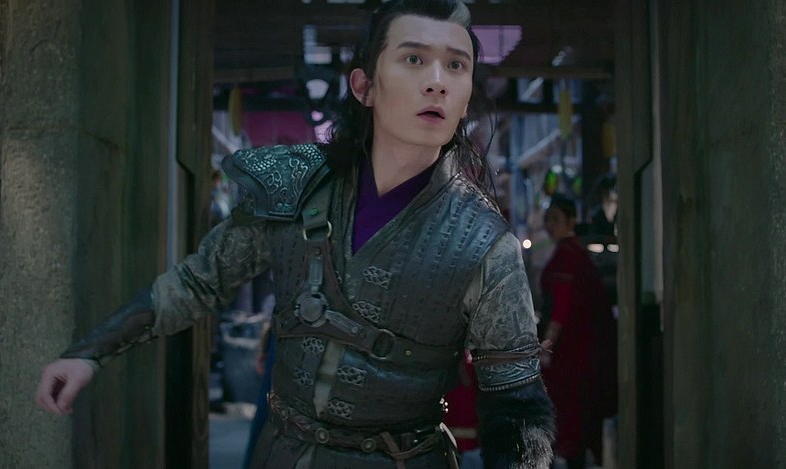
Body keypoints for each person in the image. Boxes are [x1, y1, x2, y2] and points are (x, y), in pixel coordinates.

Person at [35, 1, 555, 467]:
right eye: (414, 58)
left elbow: (516, 405)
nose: (437, 81)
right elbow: (198, 282)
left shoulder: (485, 244)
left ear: (465, 99)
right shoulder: (295, 187)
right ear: (364, 86)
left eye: (456, 65)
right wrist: (89, 352)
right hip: (282, 452)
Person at [539, 193, 617, 469]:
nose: (550, 225)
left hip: (570, 356)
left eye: (555, 219)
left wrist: (546, 348)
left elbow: (560, 309)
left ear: (571, 221)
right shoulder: (575, 254)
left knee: (569, 419)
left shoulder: (567, 257)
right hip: (581, 354)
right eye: (548, 219)